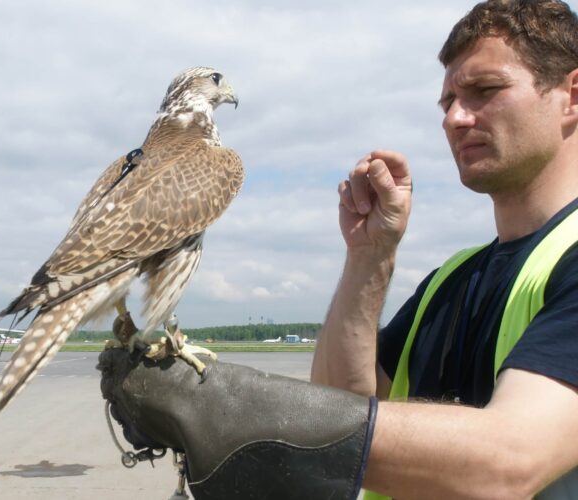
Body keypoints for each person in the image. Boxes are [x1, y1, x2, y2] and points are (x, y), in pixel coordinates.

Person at [100, 0, 578, 498]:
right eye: (447, 102)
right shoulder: (451, 280)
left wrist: (240, 412)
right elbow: (338, 405)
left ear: (572, 95)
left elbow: (511, 462)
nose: (456, 118)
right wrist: (369, 258)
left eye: (485, 90)